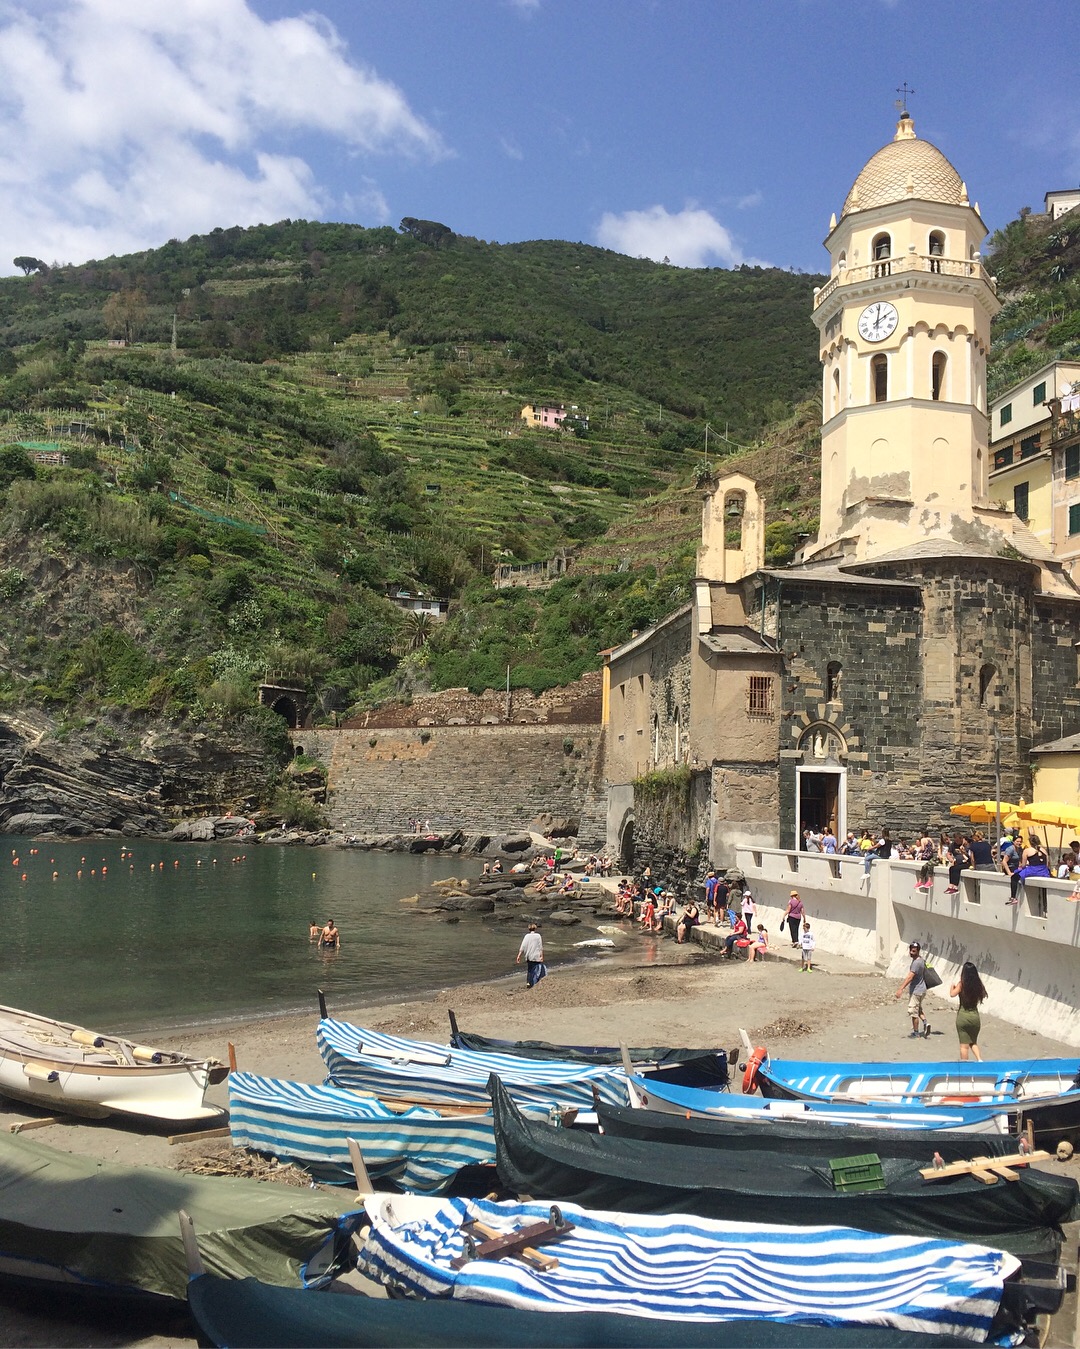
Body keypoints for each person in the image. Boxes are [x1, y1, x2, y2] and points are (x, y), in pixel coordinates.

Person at [950, 960, 987, 1060]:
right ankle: (979, 1060)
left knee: (964, 1046)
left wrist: (952, 987)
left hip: (963, 1016)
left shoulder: (962, 984)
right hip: (975, 1017)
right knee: (973, 1042)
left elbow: (952, 994)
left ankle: (965, 1066)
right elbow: (982, 995)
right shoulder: (978, 985)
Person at [895, 940, 929, 1038]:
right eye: (910, 950)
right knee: (918, 1009)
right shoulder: (921, 960)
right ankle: (926, 1023)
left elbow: (910, 977)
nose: (911, 952)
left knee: (913, 1012)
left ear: (918, 951)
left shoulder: (916, 963)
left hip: (916, 991)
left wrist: (900, 989)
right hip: (922, 989)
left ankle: (916, 1032)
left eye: (913, 951)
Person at [1009, 833, 1051, 904]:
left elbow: (1023, 865)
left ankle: (1013, 897)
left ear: (1030, 842)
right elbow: (1047, 864)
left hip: (1033, 870)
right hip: (1044, 871)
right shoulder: (1044, 850)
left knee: (1014, 877)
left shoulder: (1027, 850)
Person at [515, 922, 545, 988]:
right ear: (535, 928)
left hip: (529, 956)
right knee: (536, 970)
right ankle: (534, 984)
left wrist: (519, 955)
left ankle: (528, 983)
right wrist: (542, 956)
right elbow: (540, 947)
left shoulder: (526, 936)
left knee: (530, 970)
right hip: (536, 956)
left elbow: (523, 946)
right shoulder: (538, 936)